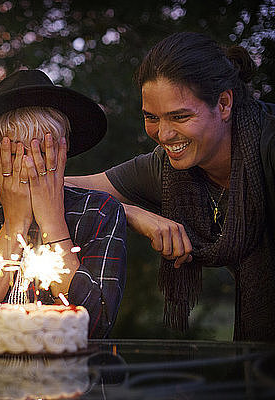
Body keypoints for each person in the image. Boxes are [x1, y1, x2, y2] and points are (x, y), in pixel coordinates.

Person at [64, 32, 275, 341]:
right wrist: (130, 213)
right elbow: (56, 188)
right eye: (152, 117)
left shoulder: (267, 147)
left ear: (224, 103)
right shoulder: (166, 168)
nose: (163, 134)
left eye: (180, 116)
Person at [0, 69, 127, 339]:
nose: (28, 165)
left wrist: (53, 223)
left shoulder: (99, 212)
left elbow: (95, 324)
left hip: (73, 376)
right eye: (14, 153)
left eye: (42, 151)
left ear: (64, 150)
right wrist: (14, 227)